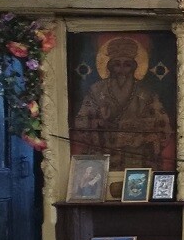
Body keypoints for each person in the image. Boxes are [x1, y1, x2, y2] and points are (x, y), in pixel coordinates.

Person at [73, 36, 174, 170]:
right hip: (104, 156)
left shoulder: (147, 94)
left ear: (134, 67)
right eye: (117, 64)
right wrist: (99, 122)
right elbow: (81, 123)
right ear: (110, 67)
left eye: (127, 65)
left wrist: (139, 130)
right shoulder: (96, 91)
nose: (121, 70)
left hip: (137, 158)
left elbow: (162, 127)